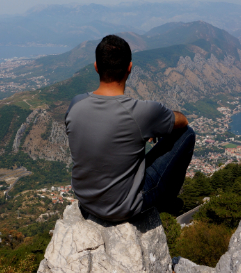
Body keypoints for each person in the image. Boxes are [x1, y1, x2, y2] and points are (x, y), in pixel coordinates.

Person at [65, 34, 196, 222]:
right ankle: (166, 203)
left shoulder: (76, 104)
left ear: (96, 67)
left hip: (86, 202)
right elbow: (183, 121)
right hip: (123, 208)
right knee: (187, 135)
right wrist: (154, 125)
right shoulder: (143, 112)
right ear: (130, 68)